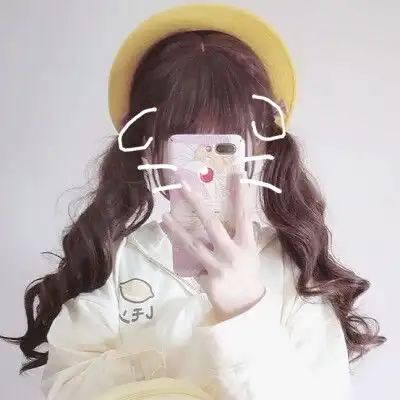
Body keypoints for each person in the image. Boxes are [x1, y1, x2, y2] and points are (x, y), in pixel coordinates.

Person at [1, 4, 385, 400]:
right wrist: (160, 366)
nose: (204, 167)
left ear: (260, 145)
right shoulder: (115, 263)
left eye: (224, 144)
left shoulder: (295, 270)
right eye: (187, 144)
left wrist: (244, 309)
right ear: (147, 149)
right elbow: (65, 387)